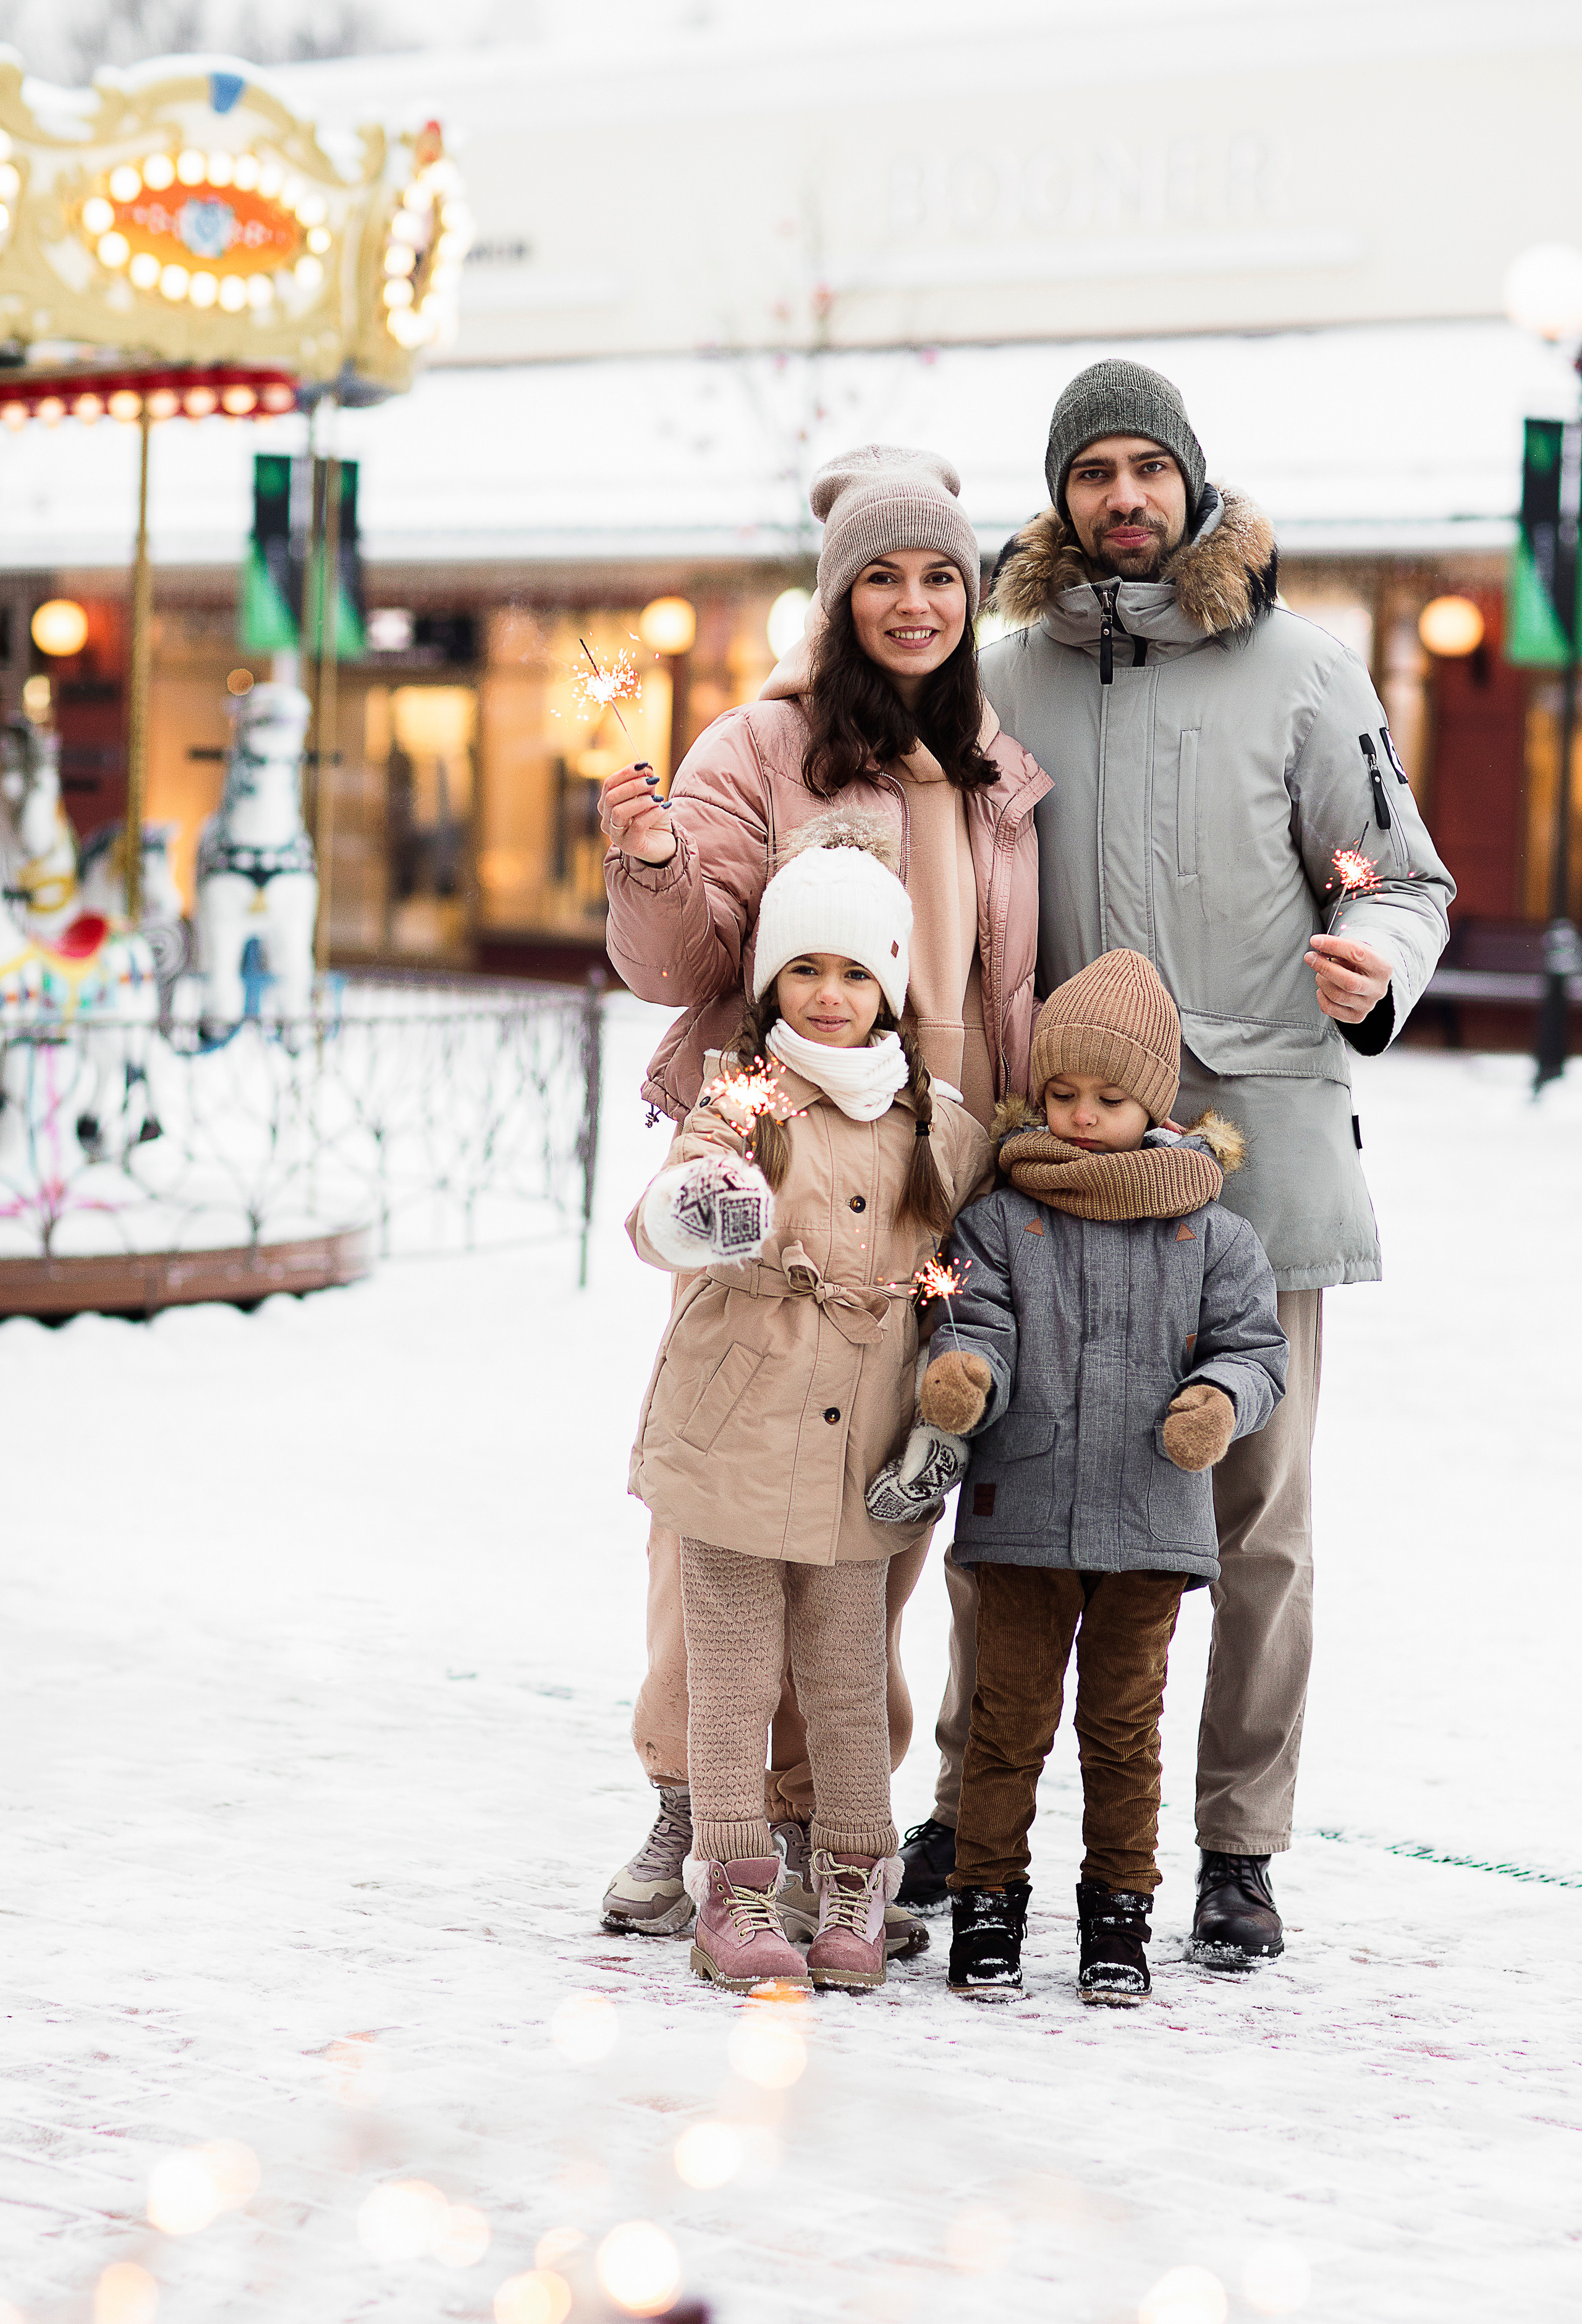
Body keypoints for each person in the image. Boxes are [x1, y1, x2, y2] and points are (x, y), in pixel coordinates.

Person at [897, 360, 1454, 1964]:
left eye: (1150, 467)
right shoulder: (1006, 679)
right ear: (1062, 497)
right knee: (1003, 1489)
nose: (1123, 496)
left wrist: (1368, 943)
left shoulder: (1302, 672)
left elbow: (1382, 865)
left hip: (1256, 1148)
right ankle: (968, 1799)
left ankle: (1237, 1846)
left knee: (1254, 1519)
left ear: (1192, 484)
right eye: (1095, 472)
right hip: (1051, 1172)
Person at [599, 444, 1049, 1946]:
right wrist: (653, 858)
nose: (913, 602)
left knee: (871, 1514)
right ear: (836, 591)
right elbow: (685, 960)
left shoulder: (995, 765)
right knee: (721, 1503)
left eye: (939, 576)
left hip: (928, 1172)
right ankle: (691, 1793)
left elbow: (1006, 981)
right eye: (881, 573)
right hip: (774, 1154)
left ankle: (811, 1818)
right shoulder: (760, 743)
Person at [626, 825, 991, 1990]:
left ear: (889, 986)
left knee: (844, 1673)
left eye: (853, 973)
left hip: (861, 1446)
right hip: (733, 1430)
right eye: (803, 971)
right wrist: (701, 1205)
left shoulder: (936, 1124)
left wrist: (943, 1411)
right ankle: (732, 1887)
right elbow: (661, 1211)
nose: (828, 997)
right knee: (730, 1679)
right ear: (772, 980)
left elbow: (971, 1280)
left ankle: (851, 1874)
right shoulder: (740, 1103)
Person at [895, 951, 1286, 2002]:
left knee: (1122, 1732)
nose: (1079, 1116)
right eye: (1062, 1093)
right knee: (1005, 1721)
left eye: (1109, 1098)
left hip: (1150, 1521)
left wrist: (1218, 1402)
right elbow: (972, 1319)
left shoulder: (1213, 1234)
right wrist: (963, 1375)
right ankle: (988, 1908)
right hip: (1022, 1513)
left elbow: (1256, 1353)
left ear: (1155, 1102)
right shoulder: (1000, 1217)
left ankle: (1119, 1916)